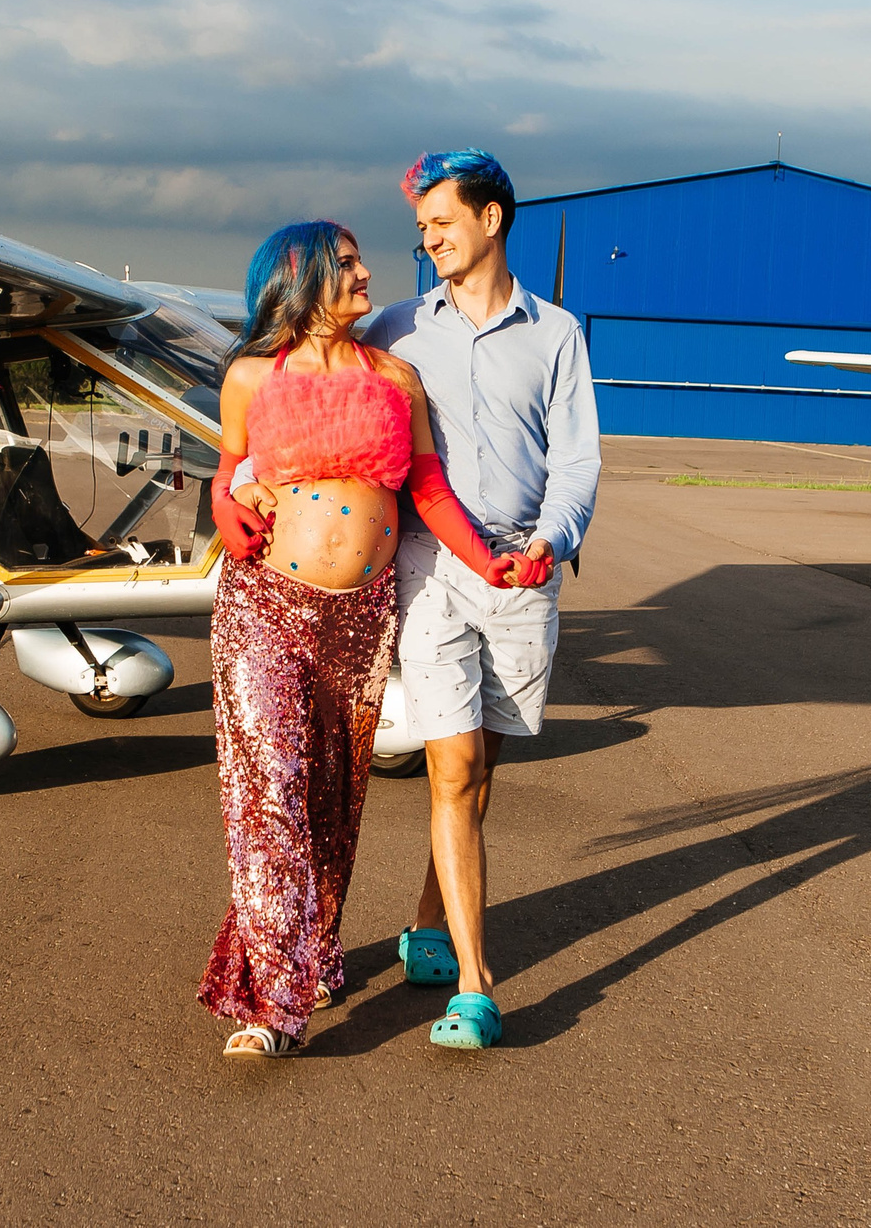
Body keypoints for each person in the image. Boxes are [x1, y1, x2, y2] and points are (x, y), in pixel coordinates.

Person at [237, 150, 598, 1051]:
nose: (425, 240)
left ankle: (431, 920)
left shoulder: (555, 333)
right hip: (417, 573)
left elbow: (577, 457)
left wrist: (547, 543)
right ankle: (466, 986)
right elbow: (262, 433)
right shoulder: (394, 328)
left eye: (440, 222)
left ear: (490, 220)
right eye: (420, 227)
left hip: (514, 572)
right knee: (429, 771)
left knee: (479, 769)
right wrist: (237, 491)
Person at [199, 220, 526, 1059]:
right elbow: (229, 466)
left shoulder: (397, 379)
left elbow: (428, 489)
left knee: (331, 799)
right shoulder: (248, 376)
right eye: (345, 264)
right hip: (264, 604)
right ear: (301, 278)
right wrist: (224, 507)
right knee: (270, 793)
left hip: (358, 617)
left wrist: (489, 564)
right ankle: (270, 1003)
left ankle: (309, 949)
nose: (365, 272)